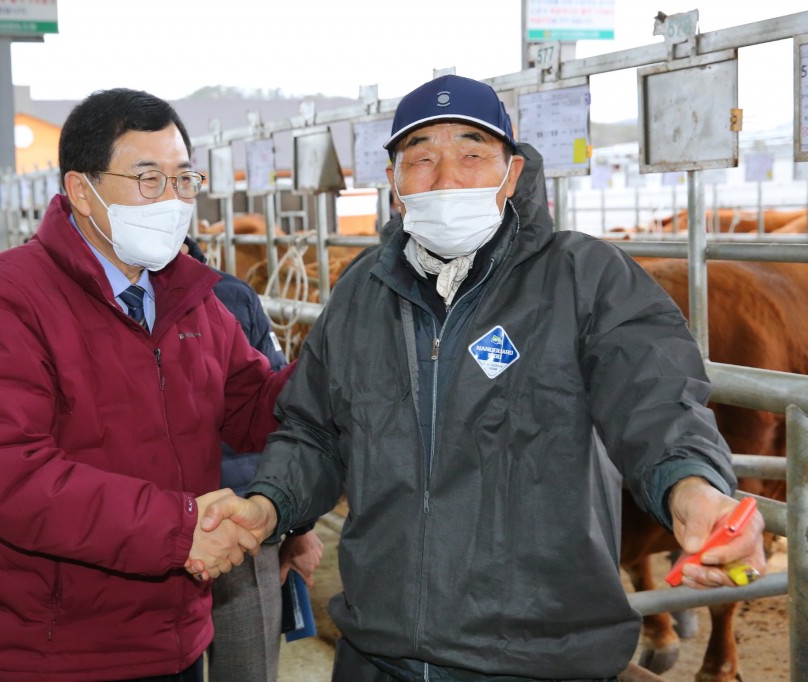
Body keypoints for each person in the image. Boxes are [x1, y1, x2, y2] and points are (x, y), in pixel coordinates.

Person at [195, 75, 766, 681]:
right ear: (394, 184)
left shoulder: (584, 277)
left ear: (512, 174)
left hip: (541, 658)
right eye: (421, 159)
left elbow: (658, 403)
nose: (446, 179)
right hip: (377, 653)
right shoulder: (363, 292)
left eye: (472, 155)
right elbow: (311, 429)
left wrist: (692, 486)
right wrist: (270, 501)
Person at [0, 88, 294, 682]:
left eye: (184, 179)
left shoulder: (188, 299)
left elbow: (254, 404)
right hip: (62, 650)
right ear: (82, 191)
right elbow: (9, 473)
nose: (172, 199)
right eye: (147, 178)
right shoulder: (4, 299)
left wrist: (343, 368)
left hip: (176, 636)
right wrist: (179, 531)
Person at [181, 236, 324, 682]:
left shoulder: (230, 295)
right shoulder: (94, 301)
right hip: (153, 524)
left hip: (243, 520)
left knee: (247, 665)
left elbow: (275, 409)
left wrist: (295, 524)